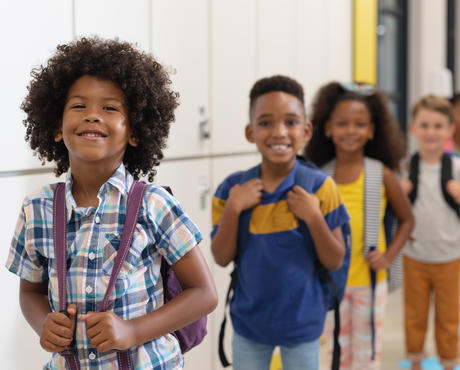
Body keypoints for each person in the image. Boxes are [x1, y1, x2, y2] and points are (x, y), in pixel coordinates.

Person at [5, 37, 217, 369]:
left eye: (109, 108)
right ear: (57, 127)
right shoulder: (37, 209)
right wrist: (43, 324)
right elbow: (30, 293)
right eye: (78, 106)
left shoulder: (154, 205)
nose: (92, 116)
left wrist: (133, 331)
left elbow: (204, 293)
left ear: (135, 132)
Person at [210, 75, 350, 370]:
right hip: (249, 325)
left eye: (290, 122)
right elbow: (221, 258)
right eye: (265, 123)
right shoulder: (231, 190)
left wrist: (313, 217)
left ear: (306, 130)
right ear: (250, 132)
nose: (279, 132)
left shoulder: (321, 187)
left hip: (303, 325)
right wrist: (234, 209)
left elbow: (336, 259)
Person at [304, 81, 414, 369]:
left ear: (372, 130)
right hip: (330, 283)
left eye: (359, 124)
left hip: (369, 282)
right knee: (335, 355)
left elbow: (407, 220)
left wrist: (389, 256)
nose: (351, 130)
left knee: (368, 355)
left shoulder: (382, 174)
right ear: (327, 128)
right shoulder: (319, 177)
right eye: (342, 123)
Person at [401, 95, 460, 370]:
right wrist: (397, 196)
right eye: (424, 125)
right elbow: (391, 211)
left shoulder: (457, 168)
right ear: (412, 128)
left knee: (449, 319)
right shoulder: (405, 168)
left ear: (450, 129)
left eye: (438, 126)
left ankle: (449, 364)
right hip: (414, 255)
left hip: (451, 257)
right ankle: (415, 363)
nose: (431, 132)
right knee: (414, 316)